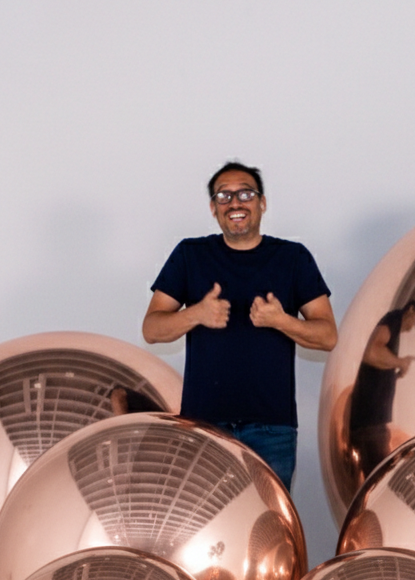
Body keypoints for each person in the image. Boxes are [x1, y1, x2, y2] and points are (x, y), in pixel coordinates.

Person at [142, 161, 337, 489]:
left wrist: (281, 321)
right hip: (203, 426)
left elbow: (327, 335)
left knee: (270, 533)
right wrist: (196, 314)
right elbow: (152, 329)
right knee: (205, 528)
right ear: (213, 208)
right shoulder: (190, 255)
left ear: (262, 203)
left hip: (272, 429)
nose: (235, 202)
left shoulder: (292, 258)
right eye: (224, 196)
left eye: (245, 193)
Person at [348, 300, 415, 478]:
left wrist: (394, 375)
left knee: (378, 477)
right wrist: (401, 362)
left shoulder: (394, 329)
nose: (412, 327)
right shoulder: (394, 318)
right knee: (379, 481)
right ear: (411, 310)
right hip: (370, 423)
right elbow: (371, 353)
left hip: (373, 423)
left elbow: (377, 369)